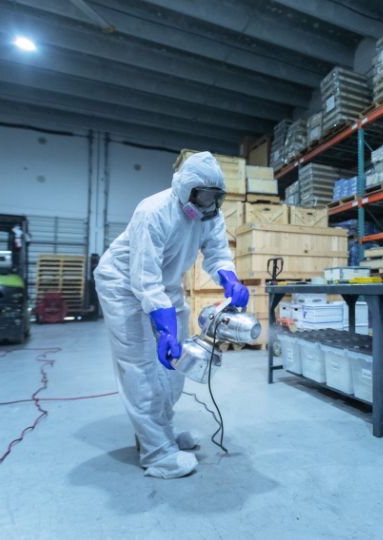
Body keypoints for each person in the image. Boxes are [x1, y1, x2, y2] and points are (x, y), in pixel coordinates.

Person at [94, 152, 249, 478]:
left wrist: (229, 278)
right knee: (141, 368)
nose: (208, 203)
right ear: (185, 189)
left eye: (214, 197)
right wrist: (162, 328)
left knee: (175, 368)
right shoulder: (153, 211)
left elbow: (218, 252)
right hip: (124, 286)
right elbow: (143, 278)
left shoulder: (209, 215)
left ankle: (159, 432)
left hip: (165, 284)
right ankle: (158, 453)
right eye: (202, 195)